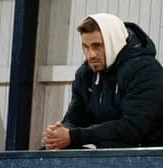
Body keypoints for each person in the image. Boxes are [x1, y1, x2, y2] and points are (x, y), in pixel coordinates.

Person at [42, 13, 163, 150]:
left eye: (97, 46)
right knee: (47, 151)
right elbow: (74, 119)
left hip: (149, 153)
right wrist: (60, 134)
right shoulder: (86, 74)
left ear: (114, 41)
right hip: (108, 151)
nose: (90, 55)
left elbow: (132, 127)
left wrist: (74, 136)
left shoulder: (145, 70)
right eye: (85, 47)